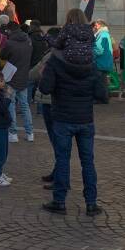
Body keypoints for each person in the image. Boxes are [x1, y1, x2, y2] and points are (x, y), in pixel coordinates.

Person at [39, 13, 108, 217]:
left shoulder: (56, 59)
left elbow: (45, 88)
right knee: (88, 161)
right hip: (85, 118)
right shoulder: (91, 60)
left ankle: (59, 201)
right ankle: (91, 203)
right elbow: (102, 94)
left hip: (62, 117)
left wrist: (47, 75)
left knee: (63, 159)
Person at [0, 22, 34, 143]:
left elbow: (2, 55)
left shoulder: (9, 43)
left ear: (9, 31)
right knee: (25, 106)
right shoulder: (28, 41)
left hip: (11, 78)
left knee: (11, 105)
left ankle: (13, 133)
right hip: (24, 76)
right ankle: (30, 132)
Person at [92, 20, 118, 92]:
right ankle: (105, 98)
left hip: (101, 63)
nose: (94, 27)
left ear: (99, 25)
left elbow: (99, 50)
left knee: (100, 83)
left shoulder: (101, 34)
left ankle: (101, 99)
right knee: (103, 82)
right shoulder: (106, 34)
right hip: (106, 62)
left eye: (95, 25)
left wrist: (91, 53)